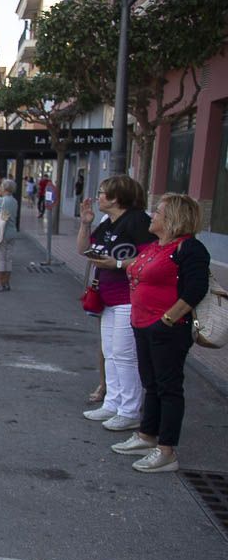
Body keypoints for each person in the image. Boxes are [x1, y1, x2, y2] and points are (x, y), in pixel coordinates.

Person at [111, 193, 210, 473]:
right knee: (150, 384)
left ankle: (166, 451)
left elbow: (195, 290)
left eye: (159, 212)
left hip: (167, 329)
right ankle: (147, 435)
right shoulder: (157, 245)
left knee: (168, 387)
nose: (152, 215)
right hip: (143, 325)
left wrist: (166, 320)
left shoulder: (190, 249)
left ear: (174, 218)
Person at [78, 175, 155, 433]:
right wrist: (85, 224)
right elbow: (83, 249)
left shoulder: (137, 221)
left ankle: (130, 410)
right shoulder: (107, 222)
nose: (97, 197)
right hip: (107, 297)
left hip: (127, 298)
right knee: (110, 352)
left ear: (116, 197)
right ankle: (113, 403)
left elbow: (150, 257)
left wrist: (118, 264)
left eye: (102, 193)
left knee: (124, 355)